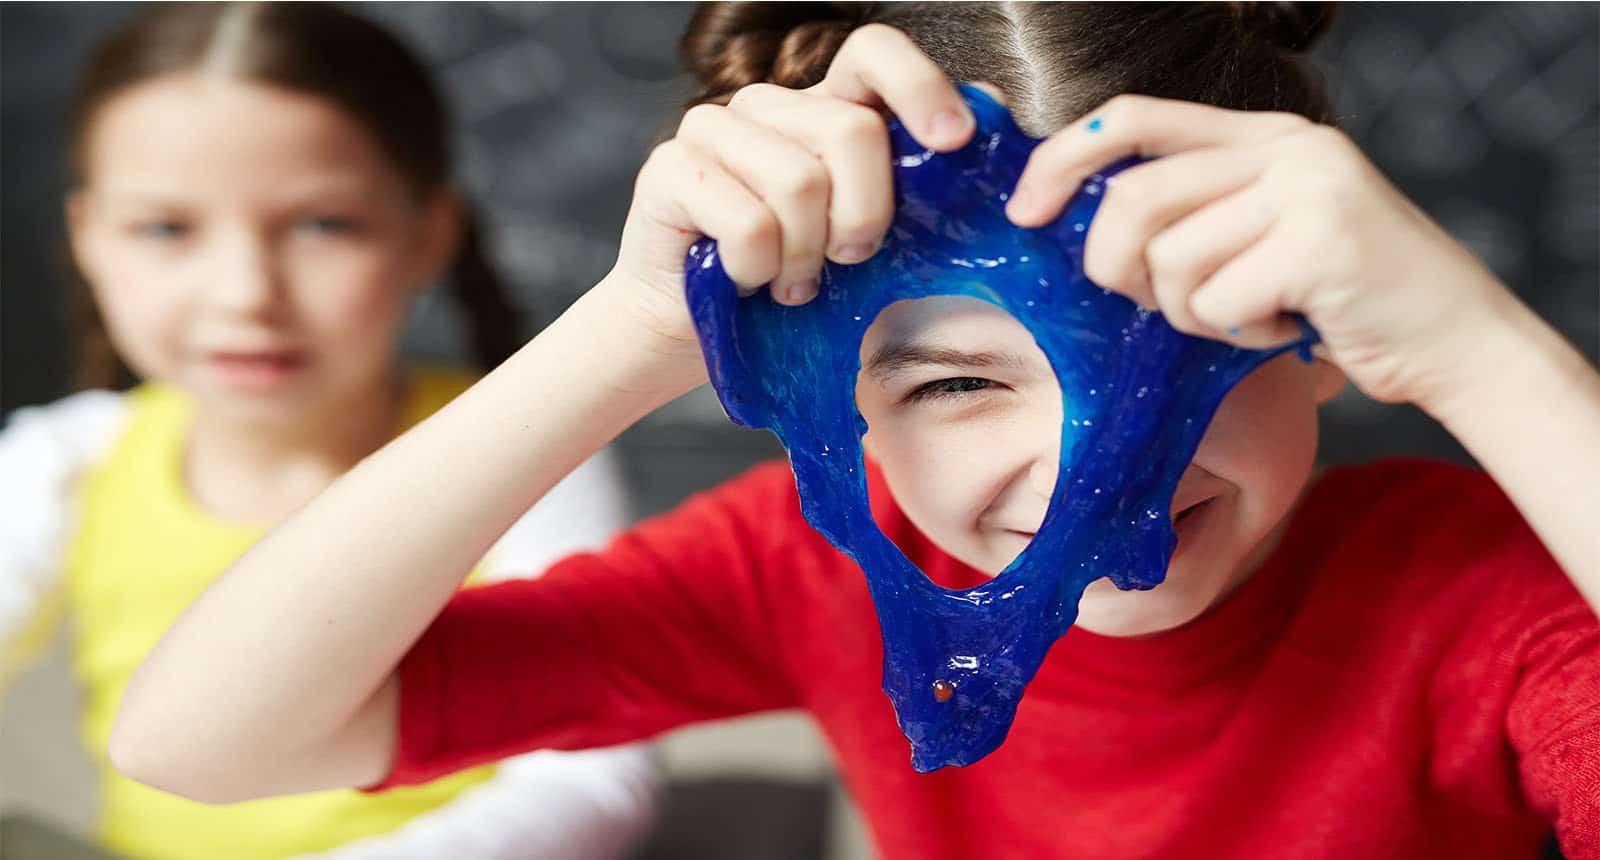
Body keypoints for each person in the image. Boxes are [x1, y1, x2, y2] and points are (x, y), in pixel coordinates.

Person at [113, 3, 1600, 858]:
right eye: (955, 383)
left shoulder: (1482, 599)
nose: (1092, 466)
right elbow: (207, 743)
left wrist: (1487, 353)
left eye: (1183, 349)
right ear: (843, 411)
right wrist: (637, 324)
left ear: (1327, 329)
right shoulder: (807, 569)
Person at [0, 4, 660, 859]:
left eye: (321, 226)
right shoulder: (62, 463)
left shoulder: (539, 460)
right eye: (166, 228)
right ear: (87, 237)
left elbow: (591, 778)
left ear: (428, 232)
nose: (245, 293)